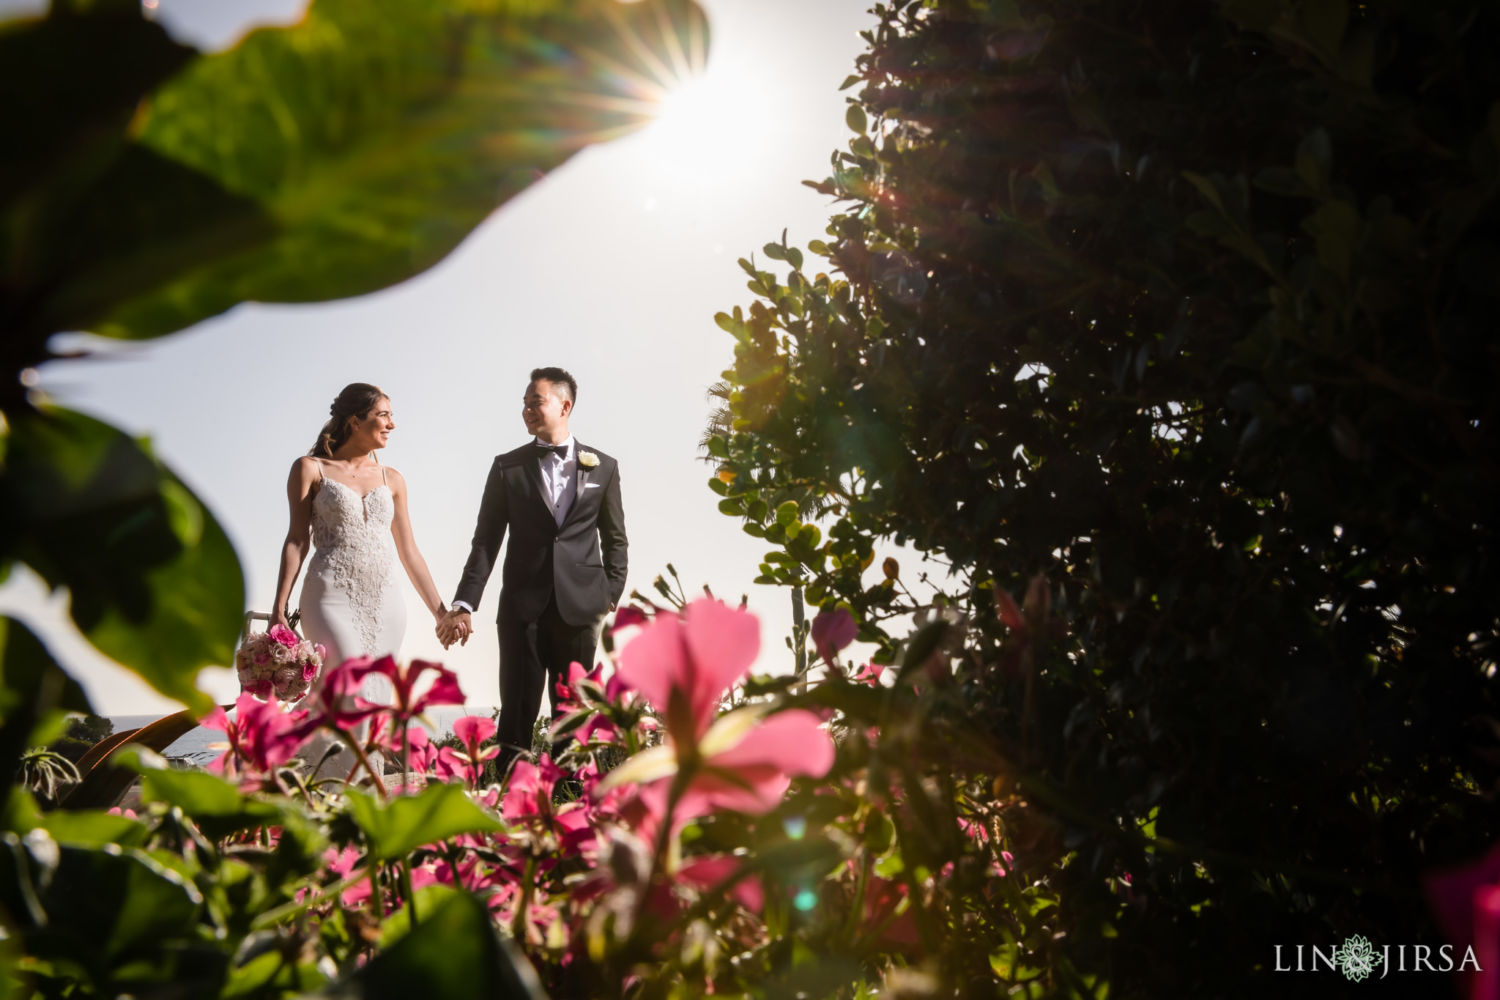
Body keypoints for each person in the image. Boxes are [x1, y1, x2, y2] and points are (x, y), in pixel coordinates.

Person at [438, 366, 627, 773]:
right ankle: (509, 805)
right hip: (521, 610)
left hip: (581, 611)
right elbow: (485, 541)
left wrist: (608, 594)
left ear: (565, 405)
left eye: (535, 402)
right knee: (517, 713)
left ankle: (569, 806)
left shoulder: (605, 467)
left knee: (573, 716)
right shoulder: (507, 467)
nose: (526, 410)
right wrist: (465, 602)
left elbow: (616, 539)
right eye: (524, 403)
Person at [271, 383, 449, 776]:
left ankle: (347, 800)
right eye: (384, 415)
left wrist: (441, 612)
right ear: (356, 420)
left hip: (386, 602)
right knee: (352, 690)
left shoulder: (393, 479)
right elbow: (296, 539)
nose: (392, 423)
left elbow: (409, 551)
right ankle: (340, 794)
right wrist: (279, 607)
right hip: (330, 594)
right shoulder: (309, 468)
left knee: (372, 700)